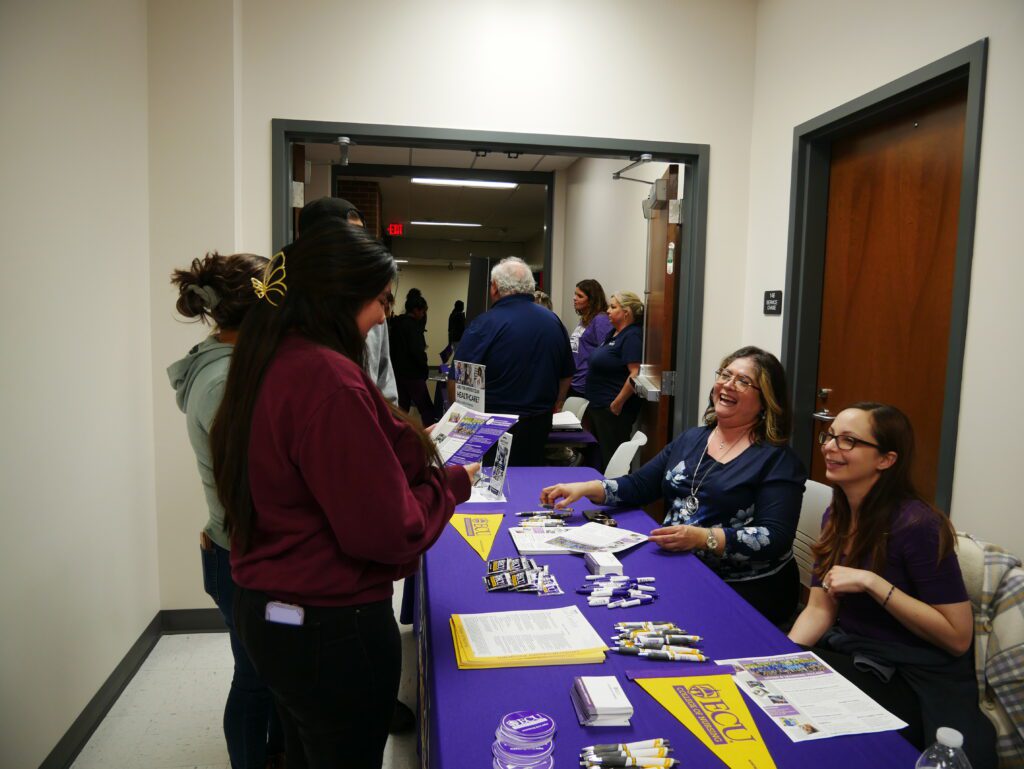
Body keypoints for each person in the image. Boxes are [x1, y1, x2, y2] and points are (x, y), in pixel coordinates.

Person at [210, 221, 477, 768]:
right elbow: (390, 533)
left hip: (270, 616)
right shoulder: (326, 378)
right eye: (380, 301)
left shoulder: (263, 361)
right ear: (339, 298)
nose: (384, 316)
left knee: (304, 749)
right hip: (332, 630)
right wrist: (448, 487)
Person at [788, 403, 996, 765]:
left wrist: (872, 583)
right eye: (830, 436)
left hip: (913, 676)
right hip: (859, 652)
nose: (830, 447)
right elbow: (820, 608)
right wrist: (782, 658)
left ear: (886, 460)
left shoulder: (918, 526)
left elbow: (957, 636)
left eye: (848, 440)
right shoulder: (836, 513)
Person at [541, 346, 807, 625]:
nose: (728, 385)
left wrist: (703, 538)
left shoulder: (778, 460)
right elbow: (641, 485)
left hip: (743, 587)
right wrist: (586, 488)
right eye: (725, 375)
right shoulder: (692, 439)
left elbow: (774, 538)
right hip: (682, 564)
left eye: (743, 381)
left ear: (766, 400)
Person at [168, 252, 285, 769]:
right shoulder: (223, 383)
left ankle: (278, 753)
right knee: (255, 680)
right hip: (243, 552)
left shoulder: (235, 363)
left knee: (273, 672)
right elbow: (253, 485)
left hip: (244, 546)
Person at [447, 257, 574, 466]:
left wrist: (459, 420)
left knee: (492, 484)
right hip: (538, 424)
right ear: (530, 288)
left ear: (495, 289)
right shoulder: (553, 322)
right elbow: (566, 373)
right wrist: (557, 402)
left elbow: (460, 380)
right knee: (529, 479)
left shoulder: (484, 324)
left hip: (492, 426)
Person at [295, 197, 397, 405]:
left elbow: (385, 386)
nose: (380, 317)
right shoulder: (294, 317)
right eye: (348, 237)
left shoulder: (373, 311)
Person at [585, 291, 644, 466]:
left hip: (613, 410)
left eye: (613, 307)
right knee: (599, 460)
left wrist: (617, 403)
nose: (608, 311)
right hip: (599, 407)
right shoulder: (614, 333)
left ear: (626, 312)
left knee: (612, 461)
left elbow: (636, 373)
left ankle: (616, 494)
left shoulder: (632, 335)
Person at [389, 288, 436, 424]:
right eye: (423, 311)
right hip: (413, 374)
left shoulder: (397, 324)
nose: (424, 314)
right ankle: (432, 440)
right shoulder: (413, 327)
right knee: (426, 408)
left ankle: (397, 438)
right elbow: (417, 352)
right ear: (416, 310)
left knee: (401, 409)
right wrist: (424, 369)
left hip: (398, 373)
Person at [568, 279, 612, 400]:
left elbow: (605, 354)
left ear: (591, 300)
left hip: (586, 385)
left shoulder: (601, 320)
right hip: (575, 382)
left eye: (580, 296)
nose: (574, 298)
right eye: (575, 294)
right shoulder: (585, 319)